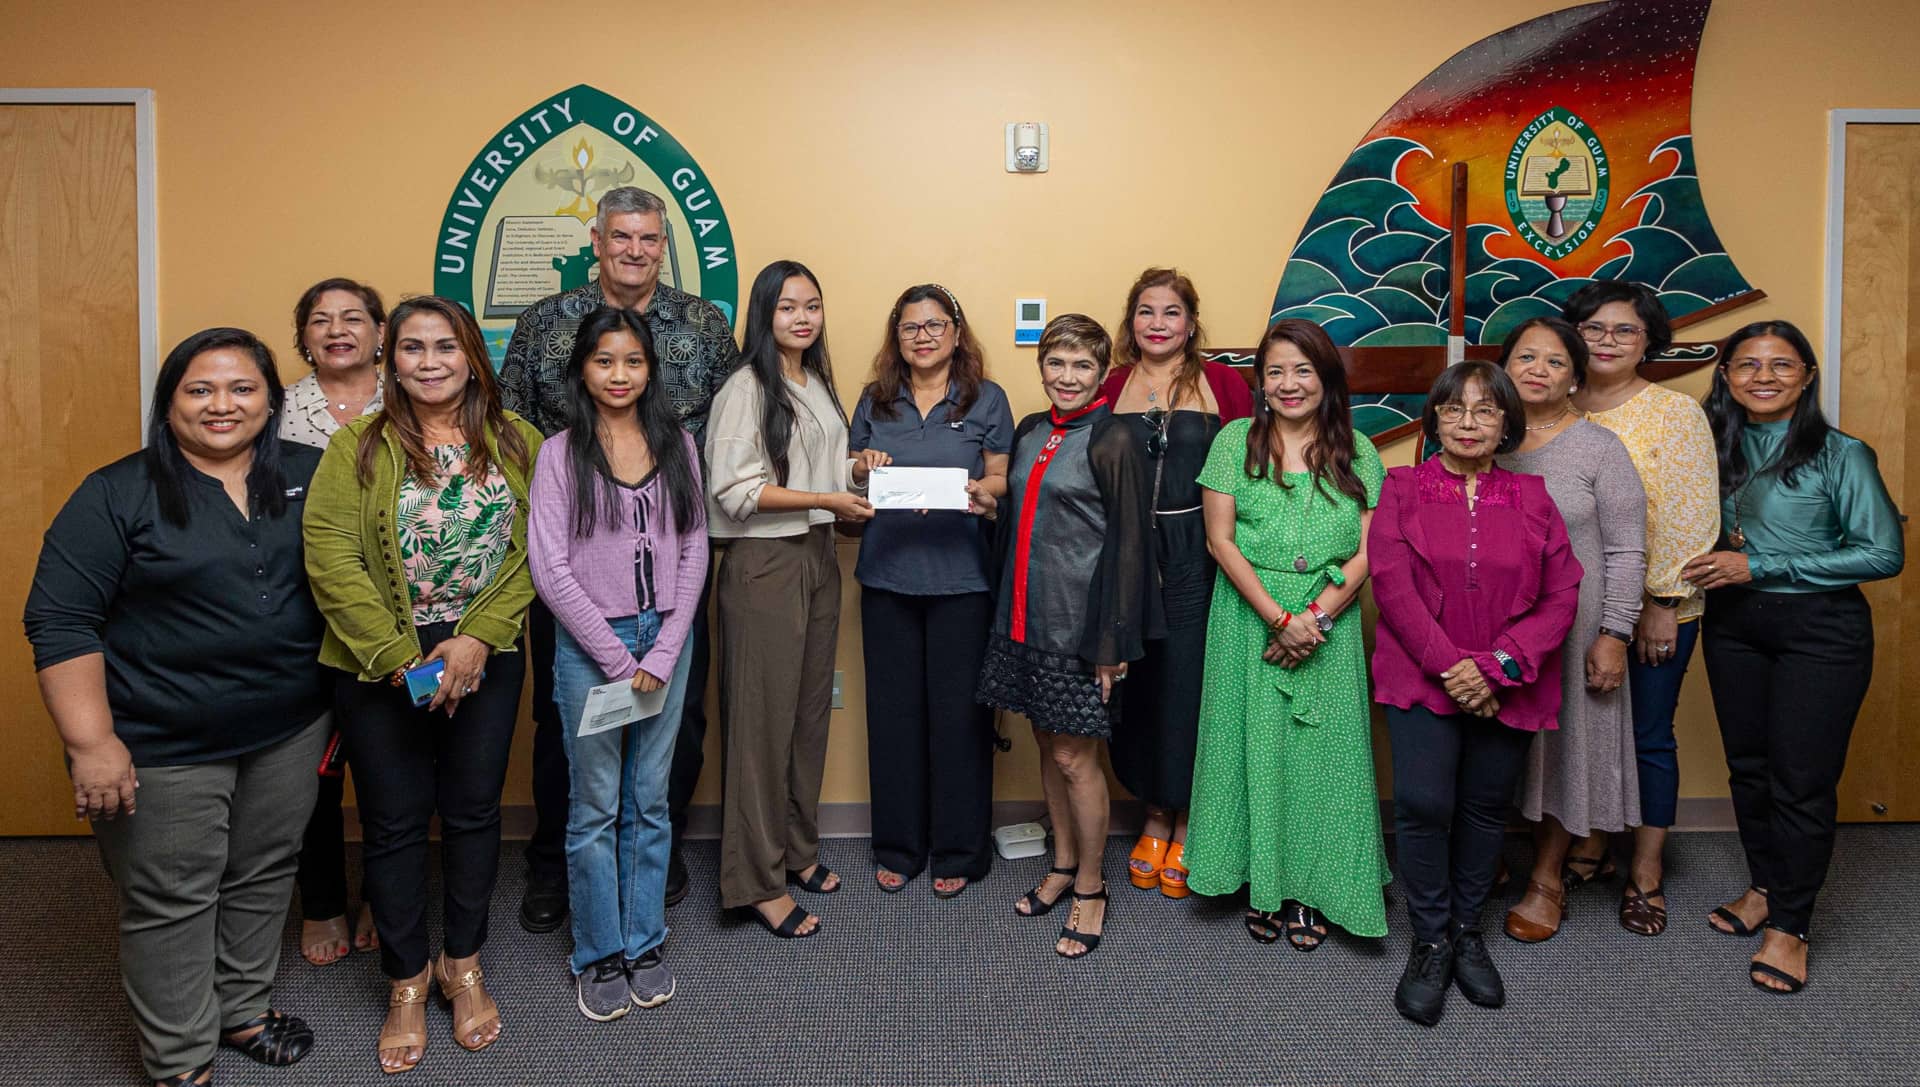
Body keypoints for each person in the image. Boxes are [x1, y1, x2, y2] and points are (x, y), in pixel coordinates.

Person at [26, 328, 328, 1087]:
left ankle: (242, 1009)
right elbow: (60, 619)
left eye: (242, 388)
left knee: (264, 871)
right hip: (162, 737)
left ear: (271, 399)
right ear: (169, 403)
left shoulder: (311, 472)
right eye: (200, 390)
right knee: (172, 896)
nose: (222, 405)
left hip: (288, 727)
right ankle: (180, 1060)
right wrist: (92, 742)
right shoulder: (116, 492)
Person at [304, 296, 541, 1074]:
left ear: (474, 354)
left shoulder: (519, 442)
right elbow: (331, 555)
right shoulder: (355, 447)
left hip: (488, 652)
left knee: (474, 813)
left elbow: (539, 550)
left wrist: (474, 640)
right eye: (412, 347)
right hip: (382, 662)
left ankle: (462, 964)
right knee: (394, 820)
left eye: (446, 345)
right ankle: (406, 978)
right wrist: (403, 655)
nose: (430, 361)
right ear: (389, 357)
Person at [499, 185, 741, 927]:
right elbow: (511, 428)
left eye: (649, 239)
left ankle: (651, 857)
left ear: (663, 245)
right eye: (621, 237)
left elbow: (732, 426)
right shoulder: (545, 324)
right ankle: (554, 866)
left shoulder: (704, 324)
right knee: (561, 720)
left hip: (670, 567)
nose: (635, 250)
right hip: (574, 568)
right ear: (597, 241)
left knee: (679, 714)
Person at [1682, 320, 1903, 993]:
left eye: (1782, 364)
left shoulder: (1842, 453)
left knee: (1800, 779)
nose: (1764, 376)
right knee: (1748, 769)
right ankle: (1764, 887)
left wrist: (1759, 564)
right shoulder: (1709, 448)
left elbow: (1882, 552)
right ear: (1725, 375)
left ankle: (1792, 925)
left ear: (1807, 375)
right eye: (1747, 363)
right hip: (1734, 625)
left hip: (1822, 630)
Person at [1369, 361, 1581, 1026]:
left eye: (1485, 410)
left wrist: (1494, 668)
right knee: (1424, 803)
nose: (1468, 421)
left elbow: (1562, 592)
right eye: (1454, 409)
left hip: (1508, 681)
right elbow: (1392, 586)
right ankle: (1429, 938)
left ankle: (1466, 931)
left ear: (1505, 425)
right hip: (1421, 675)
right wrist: (1453, 669)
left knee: (1488, 807)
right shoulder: (1400, 488)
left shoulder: (1537, 498)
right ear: (1433, 419)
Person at [1183, 318, 1390, 950]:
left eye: (1302, 370)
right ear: (1260, 381)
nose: (1289, 383)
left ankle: (1316, 888)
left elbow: (1370, 548)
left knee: (1324, 762)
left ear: (1326, 378)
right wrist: (1279, 618)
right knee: (1252, 749)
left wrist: (1316, 618)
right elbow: (1220, 541)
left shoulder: (1360, 448)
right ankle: (1262, 880)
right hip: (1249, 620)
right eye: (1275, 371)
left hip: (1332, 622)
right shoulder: (1233, 442)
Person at [528, 306, 708, 1019]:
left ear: (650, 370)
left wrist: (662, 649)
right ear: (582, 369)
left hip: (668, 636)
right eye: (605, 360)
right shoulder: (558, 454)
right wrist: (612, 654)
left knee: (651, 800)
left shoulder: (679, 445)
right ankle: (598, 951)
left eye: (633, 361)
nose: (619, 374)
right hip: (589, 643)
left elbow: (694, 550)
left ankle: (644, 941)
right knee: (595, 805)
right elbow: (550, 567)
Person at [974, 313, 1161, 958]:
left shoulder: (1113, 439)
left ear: (1102, 372)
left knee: (1076, 757)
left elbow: (1133, 546)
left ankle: (1089, 887)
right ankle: (1059, 863)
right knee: (1049, 748)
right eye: (1057, 363)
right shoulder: (1030, 430)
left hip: (1079, 629)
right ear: (1042, 366)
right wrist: (989, 504)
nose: (1068, 377)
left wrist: (1112, 644)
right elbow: (1030, 512)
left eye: (1083, 365)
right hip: (1023, 619)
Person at [706, 260, 874, 938]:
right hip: (764, 562)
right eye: (786, 307)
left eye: (812, 305)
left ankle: (798, 850)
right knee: (759, 726)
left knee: (806, 716)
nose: (802, 317)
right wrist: (827, 498)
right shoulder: (745, 388)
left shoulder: (817, 384)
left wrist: (858, 471)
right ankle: (756, 880)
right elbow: (735, 488)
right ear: (763, 315)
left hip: (817, 554)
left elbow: (822, 469)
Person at [1562, 280, 1719, 936]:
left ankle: (1646, 871)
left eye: (1623, 330)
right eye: (1594, 328)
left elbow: (1690, 514)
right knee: (1581, 727)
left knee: (1648, 735)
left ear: (1649, 341)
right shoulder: (1553, 404)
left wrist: (1660, 603)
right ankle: (1592, 841)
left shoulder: (1675, 413)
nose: (1606, 341)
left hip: (1657, 607)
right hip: (1569, 610)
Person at [849, 284, 1013, 897]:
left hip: (962, 582)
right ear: (897, 336)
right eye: (910, 326)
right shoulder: (875, 399)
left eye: (935, 325)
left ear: (956, 332)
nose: (923, 335)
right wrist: (861, 469)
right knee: (892, 718)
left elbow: (999, 476)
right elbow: (851, 476)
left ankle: (960, 850)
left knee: (959, 720)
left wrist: (985, 494)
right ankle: (898, 845)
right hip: (888, 577)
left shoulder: (986, 398)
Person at [1099, 267, 1253, 899]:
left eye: (1170, 312)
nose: (1157, 324)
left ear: (1192, 323)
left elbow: (1253, 466)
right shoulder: (1110, 385)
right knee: (1137, 683)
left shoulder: (1223, 384)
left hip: (1200, 551)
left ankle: (1187, 816)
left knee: (1192, 683)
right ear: (1130, 321)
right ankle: (1150, 811)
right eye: (1145, 312)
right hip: (1128, 554)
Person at [1493, 318, 1649, 943]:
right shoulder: (1477, 432)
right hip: (1489, 627)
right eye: (1525, 357)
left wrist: (1614, 632)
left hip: (1575, 625)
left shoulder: (1599, 449)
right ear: (1503, 366)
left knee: (1565, 752)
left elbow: (1627, 550)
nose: (1538, 370)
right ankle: (1492, 856)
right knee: (1495, 749)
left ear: (1576, 377)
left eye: (1555, 362)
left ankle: (1548, 878)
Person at [279, 277, 387, 968]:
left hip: (398, 613)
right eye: (321, 320)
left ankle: (383, 889)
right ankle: (321, 899)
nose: (338, 329)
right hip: (301, 609)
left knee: (390, 763)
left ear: (382, 331)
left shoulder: (416, 395)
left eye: (354, 317)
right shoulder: (276, 408)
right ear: (304, 338)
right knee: (309, 769)